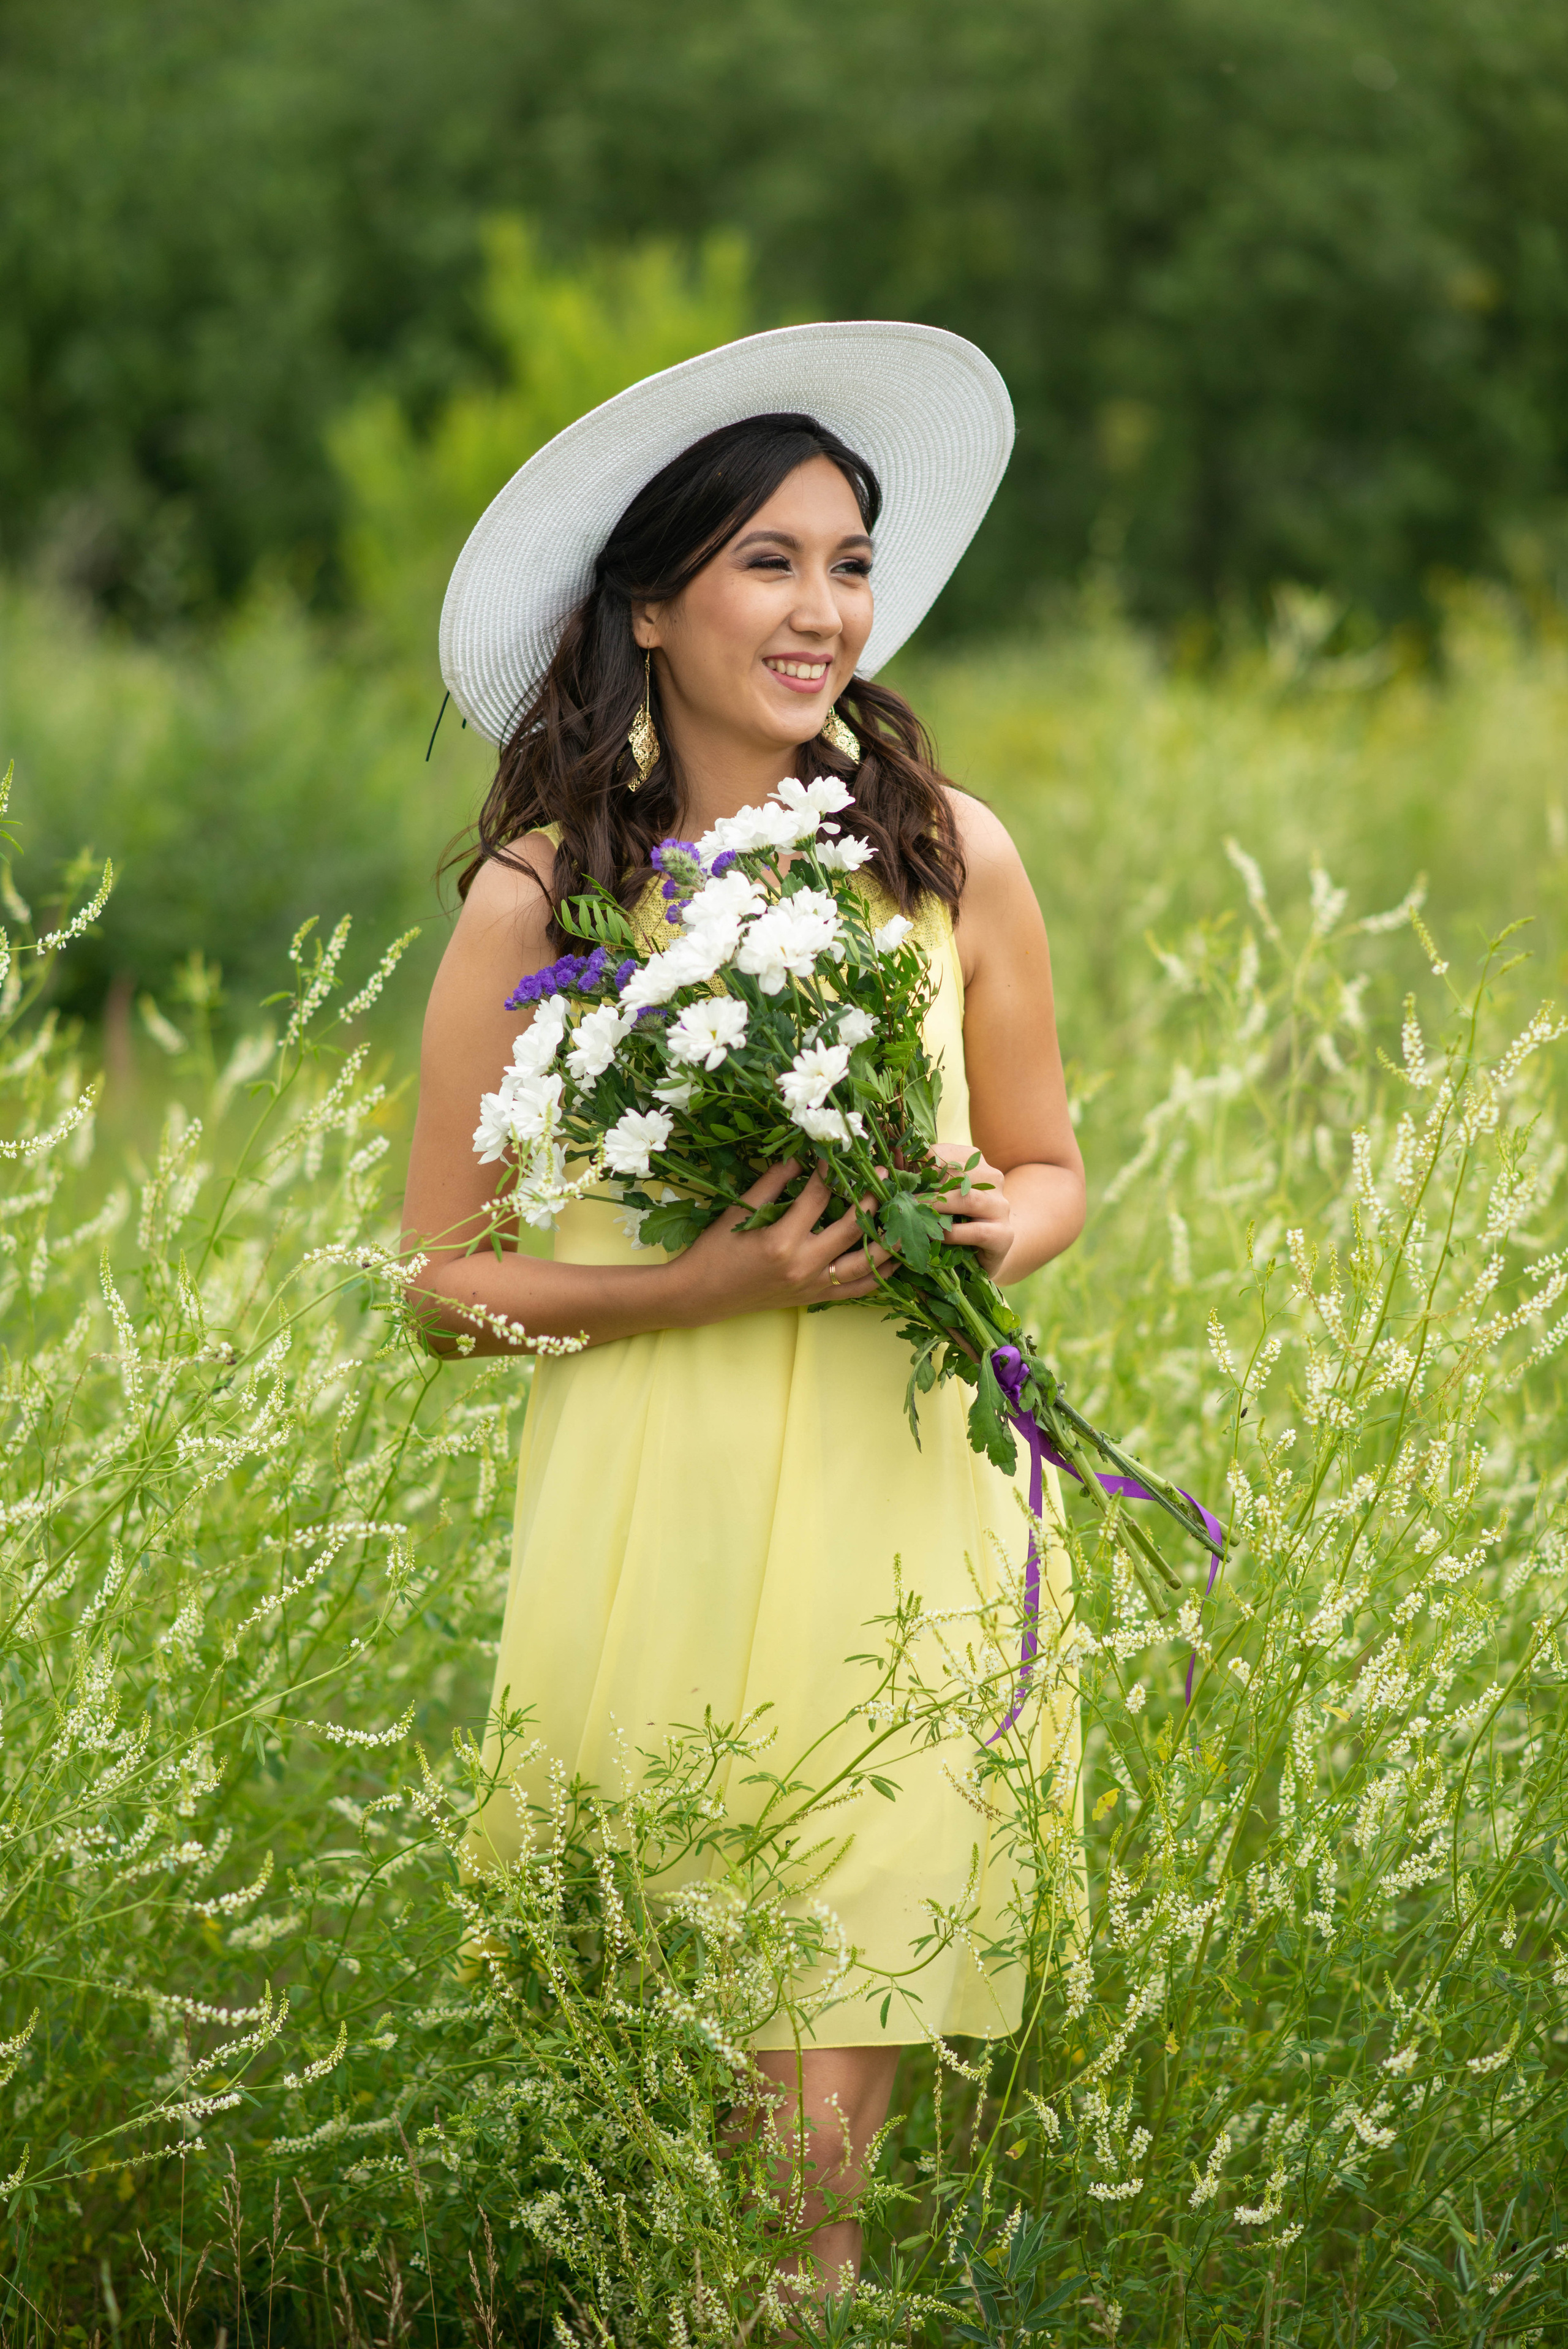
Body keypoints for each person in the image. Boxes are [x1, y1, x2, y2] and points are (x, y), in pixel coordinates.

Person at [401, 322, 1086, 2296]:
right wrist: (702, 1282)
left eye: (849, 559)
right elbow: (442, 1283)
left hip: (904, 1513)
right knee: (655, 2174)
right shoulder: (549, 905)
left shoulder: (950, 860)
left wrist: (977, 1229)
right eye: (770, 562)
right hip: (659, 1528)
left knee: (805, 2193)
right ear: (652, 605)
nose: (824, 608)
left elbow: (1052, 1164)